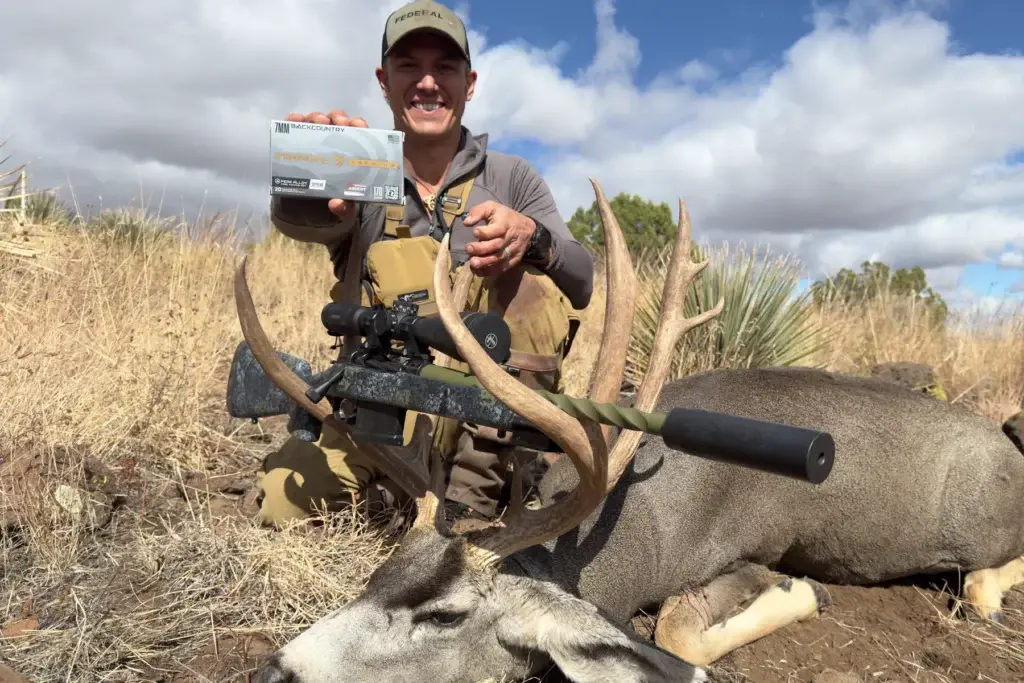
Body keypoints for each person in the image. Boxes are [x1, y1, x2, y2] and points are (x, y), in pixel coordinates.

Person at [254, 0, 595, 529]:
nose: (428, 83)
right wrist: (306, 180)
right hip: (378, 416)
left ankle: (473, 497)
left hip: (484, 426)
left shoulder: (513, 177)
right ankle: (395, 499)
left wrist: (535, 237)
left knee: (533, 286)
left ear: (470, 81)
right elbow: (302, 221)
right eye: (409, 66)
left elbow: (582, 280)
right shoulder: (358, 167)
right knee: (282, 505)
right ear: (383, 80)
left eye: (446, 67)